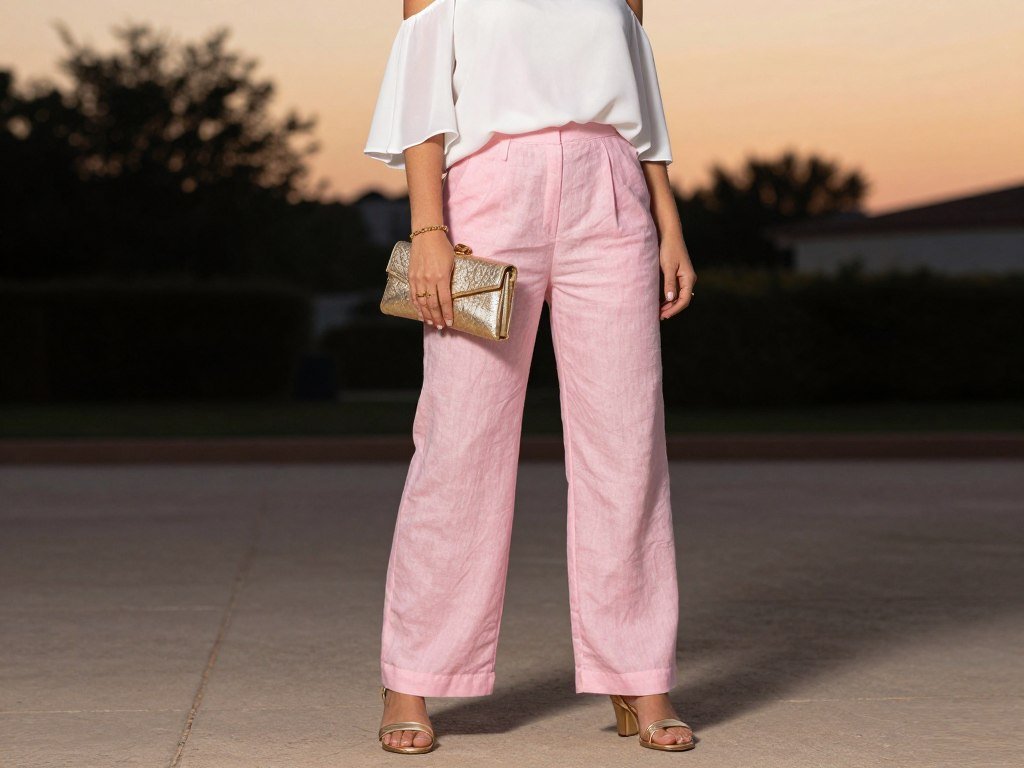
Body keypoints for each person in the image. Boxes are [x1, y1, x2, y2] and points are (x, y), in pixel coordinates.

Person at [363, 0, 697, 755]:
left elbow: (638, 89)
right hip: (488, 197)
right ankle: (410, 676)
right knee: (458, 448)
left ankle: (639, 673)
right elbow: (423, 95)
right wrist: (428, 229)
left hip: (610, 199)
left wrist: (667, 215)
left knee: (627, 448)